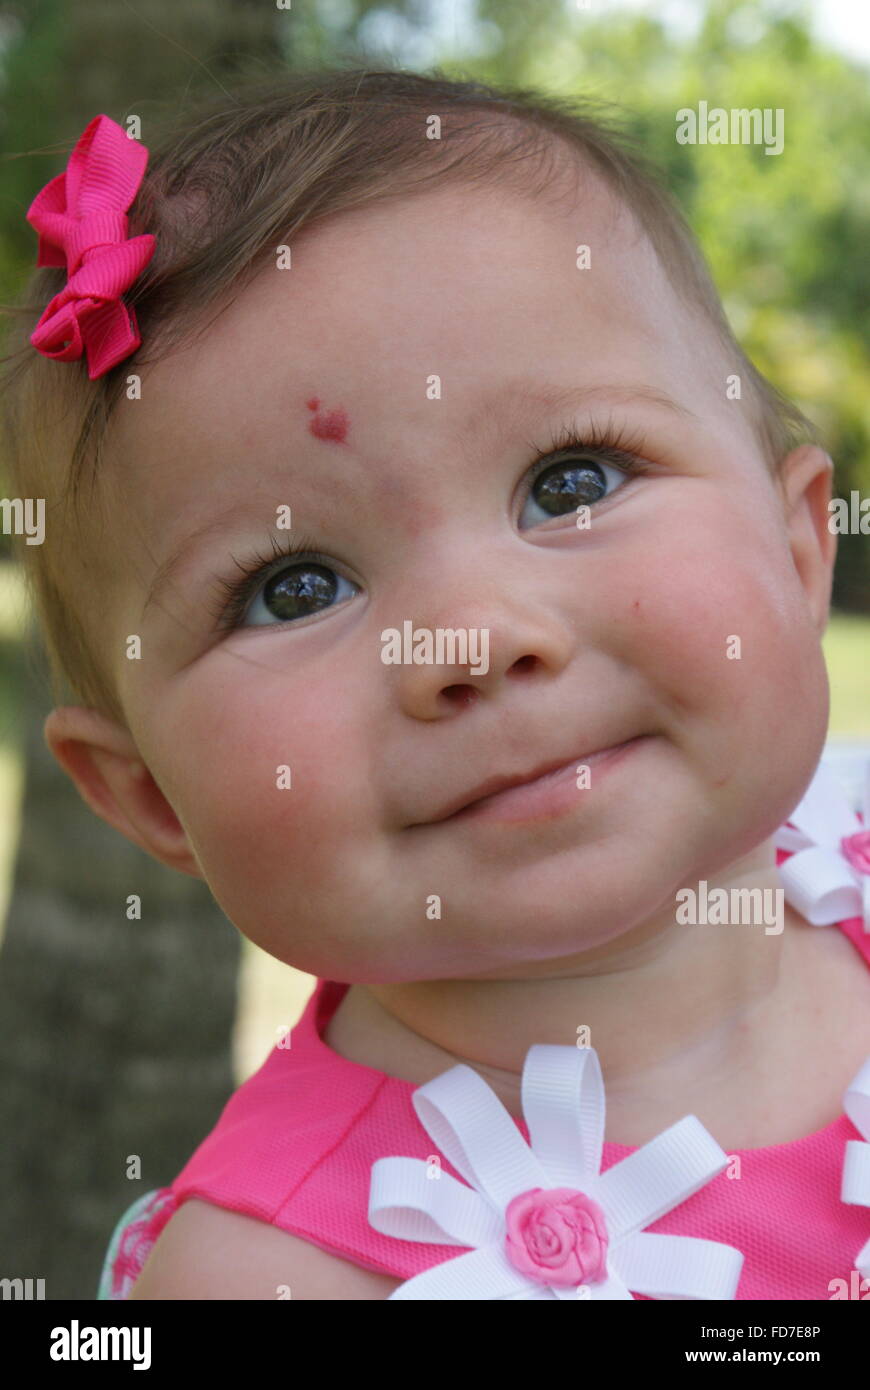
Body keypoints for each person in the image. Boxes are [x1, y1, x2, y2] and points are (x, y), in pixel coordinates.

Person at [2, 67, 868, 1301]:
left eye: (572, 482)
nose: (470, 637)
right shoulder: (274, 1273)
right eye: (296, 586)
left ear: (797, 553)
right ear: (147, 793)